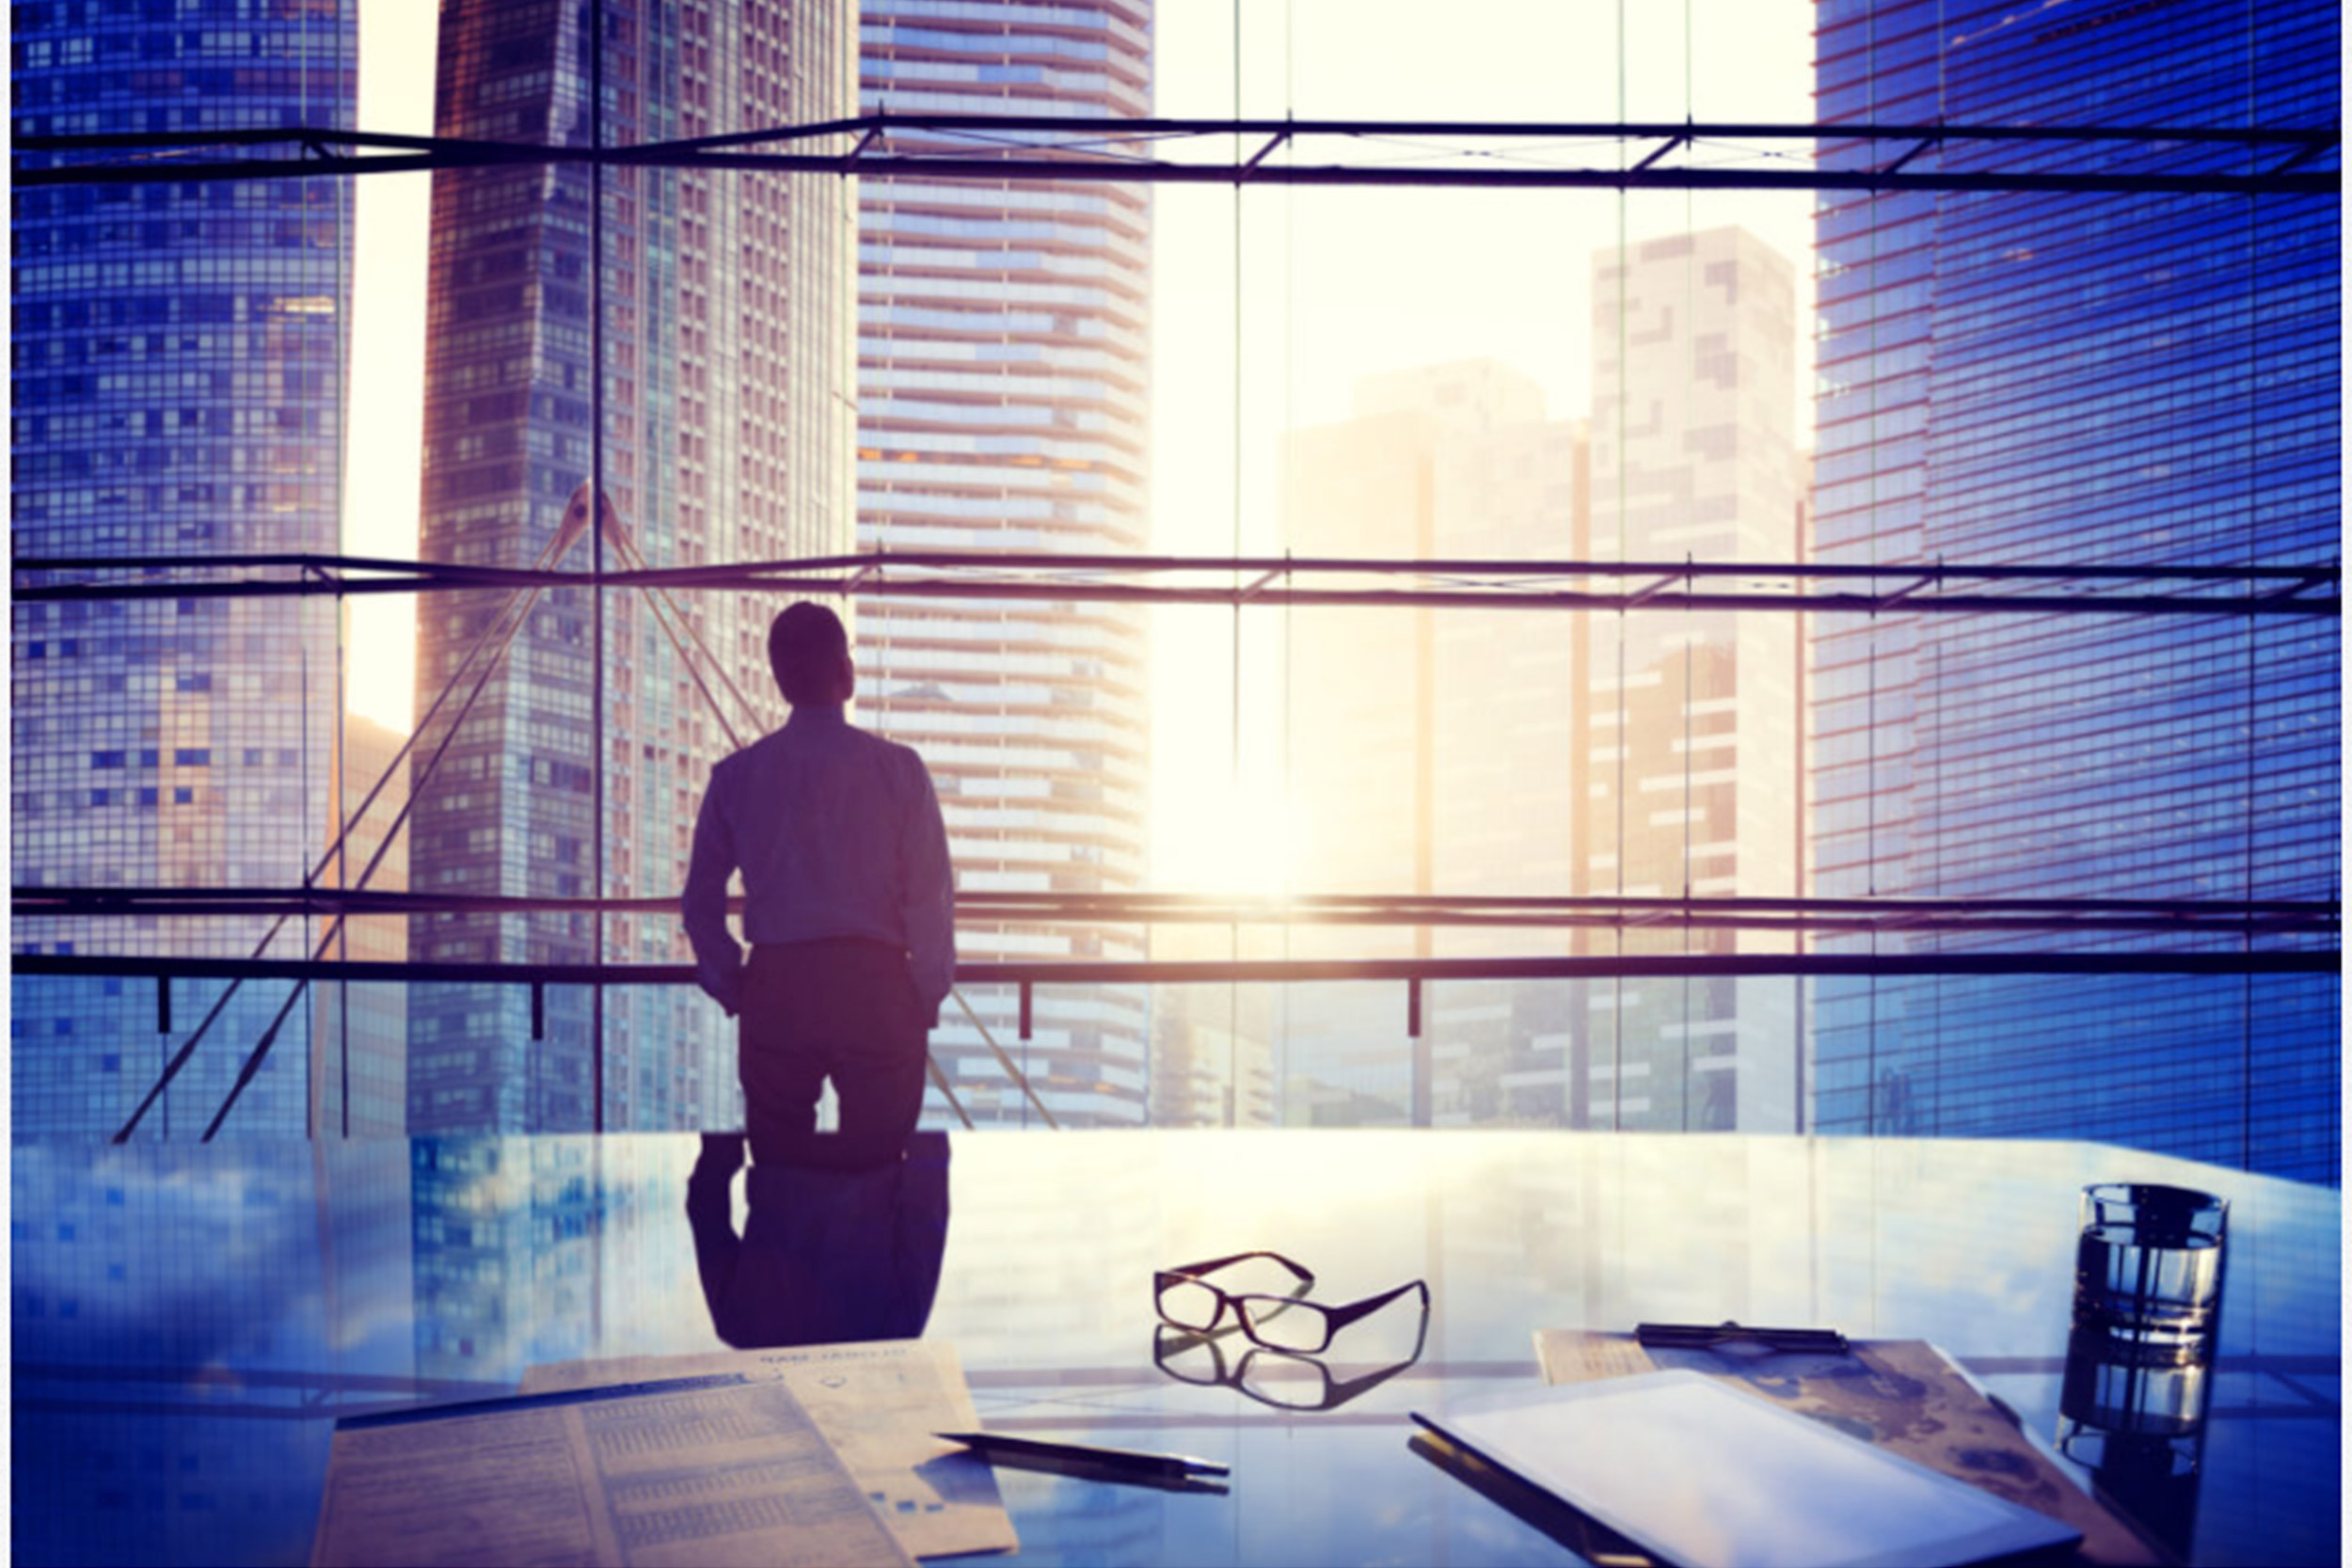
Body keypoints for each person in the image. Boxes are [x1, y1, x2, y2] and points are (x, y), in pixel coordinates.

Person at [682, 602, 954, 1170]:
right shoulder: (900, 771)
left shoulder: (736, 777)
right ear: (845, 671)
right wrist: (922, 993)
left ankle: (787, 1255)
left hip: (779, 985)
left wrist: (734, 984)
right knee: (881, 1177)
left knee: (780, 1177)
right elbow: (929, 898)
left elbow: (701, 899)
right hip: (877, 986)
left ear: (779, 679)